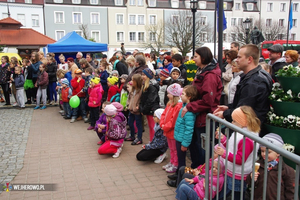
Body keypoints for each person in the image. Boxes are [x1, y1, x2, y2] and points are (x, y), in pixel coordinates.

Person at [181, 47, 223, 168]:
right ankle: (194, 172)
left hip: (204, 119)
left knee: (202, 150)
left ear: (203, 58)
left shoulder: (210, 75)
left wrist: (189, 106)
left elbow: (208, 101)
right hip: (199, 116)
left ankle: (201, 175)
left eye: (195, 56)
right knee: (195, 148)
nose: (193, 59)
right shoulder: (202, 71)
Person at [214, 44, 273, 127]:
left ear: (250, 59)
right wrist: (229, 107)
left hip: (249, 129)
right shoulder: (256, 76)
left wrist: (225, 113)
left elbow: (244, 110)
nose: (236, 60)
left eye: (239, 57)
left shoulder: (254, 82)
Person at [215, 106, 261, 200]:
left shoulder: (247, 139)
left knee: (237, 195)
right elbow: (233, 148)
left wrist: (224, 153)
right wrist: (223, 140)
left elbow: (240, 159)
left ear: (242, 122)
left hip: (239, 175)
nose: (232, 123)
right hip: (232, 171)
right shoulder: (240, 133)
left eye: (234, 121)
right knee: (228, 191)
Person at [247, 133, 296, 200]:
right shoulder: (258, 164)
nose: (264, 154)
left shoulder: (287, 170)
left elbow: (290, 192)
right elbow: (251, 184)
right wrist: (251, 178)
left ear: (278, 153)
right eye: (262, 151)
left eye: (268, 152)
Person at [167, 85, 198, 187]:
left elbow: (189, 130)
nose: (181, 95)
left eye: (183, 94)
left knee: (181, 161)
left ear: (189, 97)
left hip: (182, 140)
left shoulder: (189, 113)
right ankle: (177, 175)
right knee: (180, 160)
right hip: (179, 137)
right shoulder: (184, 106)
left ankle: (180, 180)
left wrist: (185, 144)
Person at [160, 83, 183, 173]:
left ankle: (175, 164)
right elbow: (164, 114)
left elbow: (173, 120)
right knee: (171, 148)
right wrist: (162, 123)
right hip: (168, 130)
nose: (167, 95)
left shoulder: (178, 106)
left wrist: (165, 127)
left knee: (174, 149)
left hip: (172, 131)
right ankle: (172, 161)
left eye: (169, 93)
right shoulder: (170, 104)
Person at [140, 68, 160, 142]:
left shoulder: (151, 86)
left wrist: (144, 109)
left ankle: (154, 141)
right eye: (142, 74)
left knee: (153, 127)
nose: (143, 76)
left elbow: (150, 100)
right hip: (148, 109)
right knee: (151, 126)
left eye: (144, 75)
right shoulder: (146, 85)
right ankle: (151, 141)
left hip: (152, 109)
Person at [126, 75, 143, 144]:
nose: (131, 82)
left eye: (133, 80)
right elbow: (129, 97)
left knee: (139, 124)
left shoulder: (141, 90)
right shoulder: (132, 89)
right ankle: (132, 135)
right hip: (131, 109)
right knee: (130, 123)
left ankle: (139, 138)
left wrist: (138, 106)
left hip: (137, 111)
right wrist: (128, 104)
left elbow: (142, 100)